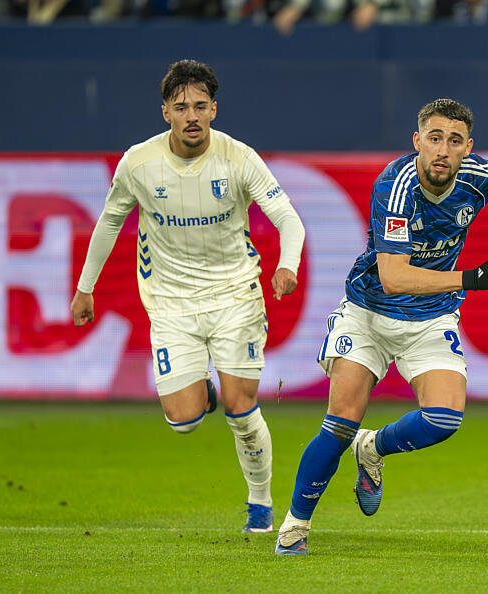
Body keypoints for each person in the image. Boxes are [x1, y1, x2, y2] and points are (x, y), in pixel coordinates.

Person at [274, 98, 488, 555]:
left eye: (453, 140)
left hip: (430, 319)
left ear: (468, 147)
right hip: (367, 314)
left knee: (445, 419)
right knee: (340, 421)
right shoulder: (396, 184)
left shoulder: (481, 177)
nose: (442, 150)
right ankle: (295, 526)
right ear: (417, 142)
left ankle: (374, 448)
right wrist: (472, 278)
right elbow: (393, 276)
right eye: (434, 138)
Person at [71, 59, 305, 534]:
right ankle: (205, 393)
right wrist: (85, 287)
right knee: (184, 421)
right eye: (182, 107)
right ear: (166, 113)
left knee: (243, 408)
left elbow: (289, 219)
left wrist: (287, 264)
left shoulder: (238, 157)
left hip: (235, 295)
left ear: (214, 109)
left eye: (200, 105)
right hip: (172, 303)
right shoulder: (139, 163)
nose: (192, 115)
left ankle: (260, 505)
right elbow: (110, 221)